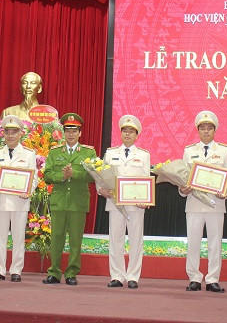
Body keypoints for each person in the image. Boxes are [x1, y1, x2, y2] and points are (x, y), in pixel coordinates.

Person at [179, 110, 227, 293]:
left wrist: (225, 191)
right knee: (193, 243)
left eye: (210, 128)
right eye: (203, 128)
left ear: (215, 130)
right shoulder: (189, 151)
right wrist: (183, 189)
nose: (206, 131)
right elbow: (182, 176)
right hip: (194, 204)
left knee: (215, 243)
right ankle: (194, 278)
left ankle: (212, 279)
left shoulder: (224, 151)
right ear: (198, 130)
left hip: (215, 203)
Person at [42, 113, 96, 285]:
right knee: (56, 238)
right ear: (63, 132)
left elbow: (94, 175)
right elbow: (47, 175)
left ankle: (72, 272)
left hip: (77, 202)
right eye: (68, 131)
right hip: (59, 202)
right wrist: (62, 176)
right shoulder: (55, 152)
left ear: (80, 133)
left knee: (75, 240)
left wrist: (75, 173)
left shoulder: (88, 152)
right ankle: (54, 272)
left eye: (74, 131)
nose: (71, 134)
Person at [98, 115, 151, 289]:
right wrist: (101, 190)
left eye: (131, 132)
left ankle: (133, 276)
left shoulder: (143, 155)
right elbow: (101, 175)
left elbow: (146, 179)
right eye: (125, 131)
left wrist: (146, 199)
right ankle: (117, 276)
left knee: (136, 241)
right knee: (116, 240)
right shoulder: (111, 153)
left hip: (136, 205)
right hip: (115, 203)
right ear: (120, 133)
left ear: (137, 135)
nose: (127, 134)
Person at [0, 115, 37, 282]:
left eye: (14, 132)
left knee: (18, 237)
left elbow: (34, 178)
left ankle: (16, 270)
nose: (10, 135)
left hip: (20, 201)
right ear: (3, 134)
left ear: (20, 133)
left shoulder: (29, 154)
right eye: (7, 132)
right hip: (1, 200)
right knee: (0, 237)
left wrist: (28, 191)